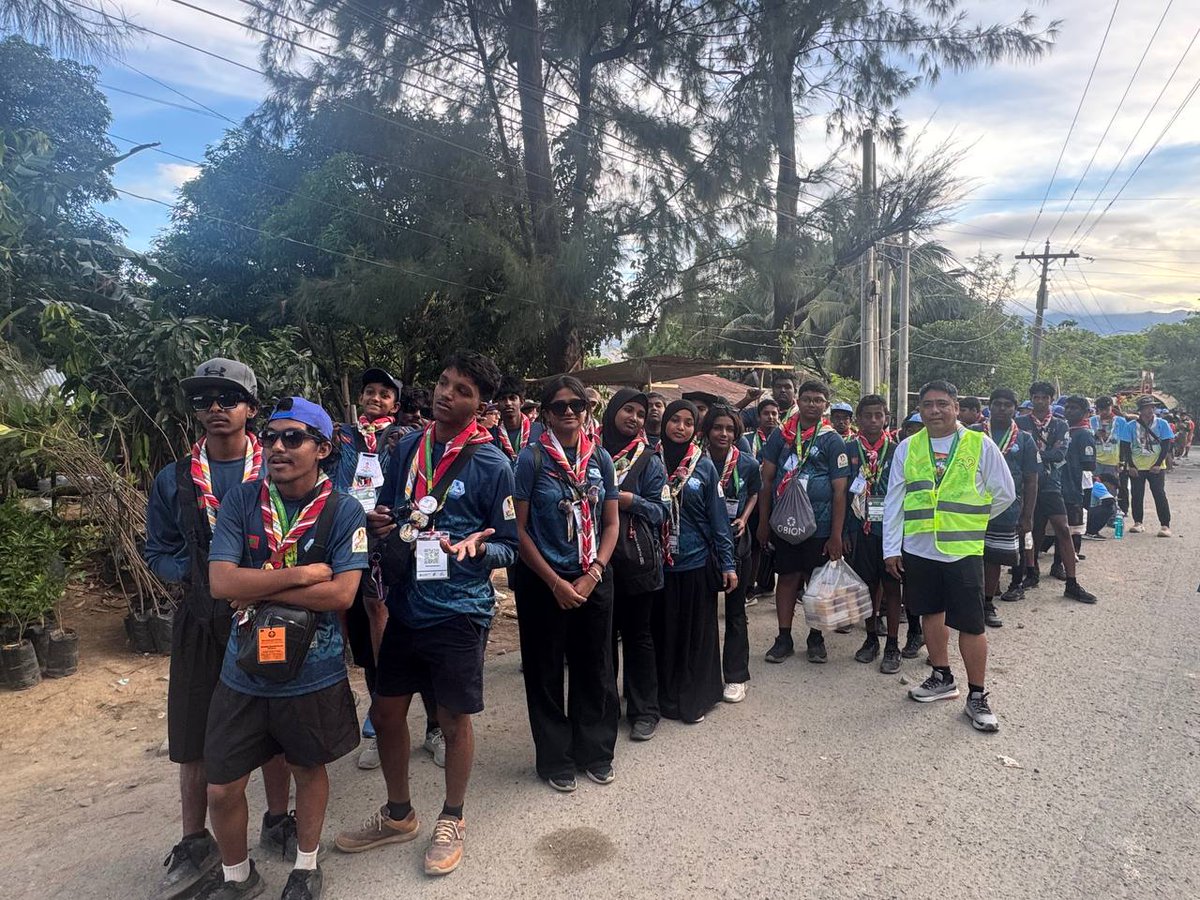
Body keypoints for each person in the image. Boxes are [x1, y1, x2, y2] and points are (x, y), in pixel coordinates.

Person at [336, 353, 518, 877]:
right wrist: (381, 521)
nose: (446, 394)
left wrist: (477, 550)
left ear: (479, 404)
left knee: (454, 719)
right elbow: (392, 509)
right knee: (387, 713)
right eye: (443, 382)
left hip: (459, 610)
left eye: (462, 390)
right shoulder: (407, 447)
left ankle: (452, 817)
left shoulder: (493, 465)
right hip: (406, 605)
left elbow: (508, 544)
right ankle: (399, 815)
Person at [204, 396, 368, 900]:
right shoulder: (242, 501)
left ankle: (306, 866)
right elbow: (220, 582)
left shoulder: (345, 510)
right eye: (271, 436)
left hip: (312, 672)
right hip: (243, 671)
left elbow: (341, 594)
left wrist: (256, 587)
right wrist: (299, 576)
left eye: (293, 438)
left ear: (322, 449)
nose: (277, 446)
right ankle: (238, 876)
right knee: (222, 786)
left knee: (307, 768)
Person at [145, 359, 296, 900]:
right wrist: (193, 575)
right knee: (193, 733)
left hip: (267, 614)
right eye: (203, 399)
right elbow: (158, 549)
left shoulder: (277, 469)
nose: (215, 408)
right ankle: (195, 841)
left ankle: (278, 818)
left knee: (274, 723)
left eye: (227, 398)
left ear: (250, 408)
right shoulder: (175, 478)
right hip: (201, 620)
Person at [883, 380, 1016, 733]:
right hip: (919, 548)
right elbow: (894, 501)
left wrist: (972, 521)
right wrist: (891, 549)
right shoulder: (907, 448)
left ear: (956, 407)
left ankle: (977, 695)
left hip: (962, 550)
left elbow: (1004, 492)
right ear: (919, 410)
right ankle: (942, 677)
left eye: (942, 403)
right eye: (927, 405)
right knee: (930, 612)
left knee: (971, 624)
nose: (935, 411)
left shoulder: (980, 444)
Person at [512, 376, 620, 790]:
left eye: (578, 404)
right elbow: (519, 530)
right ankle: (555, 757)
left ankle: (595, 751)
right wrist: (555, 582)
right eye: (560, 406)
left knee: (596, 667)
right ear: (546, 414)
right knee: (545, 670)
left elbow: (611, 523)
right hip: (544, 581)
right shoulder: (531, 459)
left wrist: (595, 573)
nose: (570, 411)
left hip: (593, 576)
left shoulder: (601, 458)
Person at [332, 368, 406, 771]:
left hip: (386, 535)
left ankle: (384, 712)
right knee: (344, 613)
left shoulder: (404, 438)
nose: (376, 398)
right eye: (370, 391)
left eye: (385, 394)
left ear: (396, 403)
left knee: (380, 611)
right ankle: (346, 701)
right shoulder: (343, 437)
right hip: (344, 534)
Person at [654, 400, 737, 723]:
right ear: (664, 423)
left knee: (696, 637)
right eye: (675, 420)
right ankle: (663, 698)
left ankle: (694, 700)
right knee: (664, 634)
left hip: (695, 562)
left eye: (688, 422)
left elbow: (718, 520)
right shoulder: (649, 460)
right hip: (658, 565)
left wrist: (728, 564)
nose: (681, 427)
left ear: (695, 429)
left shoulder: (703, 465)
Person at [756, 380, 850, 665]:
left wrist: (836, 535)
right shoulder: (781, 435)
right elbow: (767, 480)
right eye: (807, 399)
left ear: (826, 405)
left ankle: (815, 637)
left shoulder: (833, 440)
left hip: (820, 526)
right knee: (787, 578)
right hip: (785, 523)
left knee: (816, 582)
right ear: (798, 401)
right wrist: (763, 523)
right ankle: (783, 637)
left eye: (818, 400)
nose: (812, 404)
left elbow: (840, 491)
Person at [601, 388, 668, 742]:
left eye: (640, 414)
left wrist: (630, 501)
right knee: (603, 638)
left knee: (638, 636)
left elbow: (662, 511)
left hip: (636, 559)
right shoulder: (591, 452)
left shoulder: (649, 459)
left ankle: (644, 711)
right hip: (596, 559)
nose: (635, 418)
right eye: (628, 410)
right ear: (612, 411)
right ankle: (605, 708)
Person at [702, 404, 760, 702]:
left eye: (729, 429)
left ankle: (736, 676)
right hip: (704, 543)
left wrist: (745, 518)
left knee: (736, 611)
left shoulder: (747, 463)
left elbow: (754, 492)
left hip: (737, 542)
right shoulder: (696, 461)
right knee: (704, 612)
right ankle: (706, 675)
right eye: (717, 428)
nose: (723, 434)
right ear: (707, 431)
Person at [1017, 382, 1096, 603]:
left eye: (1045, 397)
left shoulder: (1061, 425)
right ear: (1031, 398)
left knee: (1063, 528)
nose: (1040, 401)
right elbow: (1019, 452)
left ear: (1051, 400)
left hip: (1052, 484)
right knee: (1030, 529)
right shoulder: (1020, 422)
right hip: (1026, 485)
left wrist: (1032, 456)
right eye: (1036, 397)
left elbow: (1060, 454)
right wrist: (1043, 455)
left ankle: (1072, 581)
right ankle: (1031, 571)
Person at [844, 395, 906, 673]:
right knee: (867, 585)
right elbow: (841, 492)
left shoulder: (897, 450)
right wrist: (845, 531)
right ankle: (870, 639)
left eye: (878, 415)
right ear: (858, 419)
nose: (872, 420)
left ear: (886, 418)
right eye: (867, 415)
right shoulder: (848, 448)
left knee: (892, 586)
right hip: (860, 529)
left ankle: (892, 644)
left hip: (891, 530)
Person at [980, 389, 1039, 622]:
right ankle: (968, 603)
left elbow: (1031, 479)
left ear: (1015, 409)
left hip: (1006, 508)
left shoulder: (1024, 439)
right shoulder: (973, 434)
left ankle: (987, 604)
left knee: (994, 557)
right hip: (971, 507)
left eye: (1007, 405)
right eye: (997, 404)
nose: (1002, 408)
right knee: (969, 557)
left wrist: (1028, 516)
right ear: (990, 406)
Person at [1057, 396, 1097, 582]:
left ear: (1085, 412)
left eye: (1074, 408)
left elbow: (1089, 463)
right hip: (1058, 484)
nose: (1069, 411)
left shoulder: (1084, 434)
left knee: (1068, 528)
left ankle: (1061, 563)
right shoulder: (1062, 429)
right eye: (1067, 407)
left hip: (1073, 485)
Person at [1123, 395, 1174, 537]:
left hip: (1156, 466)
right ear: (1140, 410)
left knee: (1159, 494)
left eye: (1152, 407)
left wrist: (1158, 464)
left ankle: (1165, 525)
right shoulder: (1130, 426)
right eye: (1146, 408)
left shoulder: (1162, 424)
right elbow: (1126, 446)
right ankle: (1138, 522)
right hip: (1137, 466)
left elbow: (1166, 445)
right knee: (1137, 495)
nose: (1150, 410)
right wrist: (1131, 465)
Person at [1091, 397, 1129, 513]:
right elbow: (1088, 440)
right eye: (1101, 410)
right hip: (1095, 460)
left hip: (1113, 461)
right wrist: (1096, 436)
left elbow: (1124, 443)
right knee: (1095, 487)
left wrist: (1122, 461)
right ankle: (1095, 512)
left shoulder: (1120, 422)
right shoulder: (1092, 421)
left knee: (1111, 488)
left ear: (1111, 407)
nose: (1104, 412)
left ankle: (1111, 513)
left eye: (1107, 409)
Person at [491, 375, 536, 467]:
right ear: (497, 404)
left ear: (522, 402)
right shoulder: (491, 436)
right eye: (503, 399)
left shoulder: (539, 431)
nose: (508, 403)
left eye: (512, 398)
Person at [1085, 473, 1119, 538]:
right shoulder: (1098, 485)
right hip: (1086, 513)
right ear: (1108, 483)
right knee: (1109, 509)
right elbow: (1110, 501)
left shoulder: (1089, 481)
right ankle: (1091, 532)